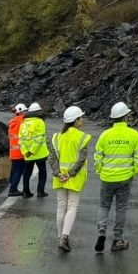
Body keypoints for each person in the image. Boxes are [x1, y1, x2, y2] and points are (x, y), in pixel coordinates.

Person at [93, 101, 138, 253]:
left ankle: (101, 232)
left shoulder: (105, 135)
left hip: (107, 178)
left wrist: (101, 171)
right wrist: (133, 172)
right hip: (124, 178)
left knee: (104, 206)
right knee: (120, 208)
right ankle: (117, 239)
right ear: (126, 117)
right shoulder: (134, 134)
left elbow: (97, 156)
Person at [49, 105, 92, 252]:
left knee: (61, 206)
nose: (82, 120)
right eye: (81, 117)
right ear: (75, 120)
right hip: (74, 178)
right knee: (72, 206)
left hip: (59, 178)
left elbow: (52, 158)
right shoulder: (82, 137)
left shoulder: (57, 137)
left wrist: (58, 173)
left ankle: (61, 236)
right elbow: (81, 159)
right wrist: (71, 173)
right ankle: (64, 237)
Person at [19, 102, 49, 198]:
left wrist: (25, 152)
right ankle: (40, 192)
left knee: (27, 173)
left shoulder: (23, 124)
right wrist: (32, 151)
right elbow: (40, 139)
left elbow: (21, 140)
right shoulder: (40, 122)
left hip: (28, 155)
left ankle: (25, 192)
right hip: (39, 153)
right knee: (42, 173)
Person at [6, 103, 28, 196]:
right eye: (25, 111)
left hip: (13, 151)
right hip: (20, 151)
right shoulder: (22, 121)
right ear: (21, 112)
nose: (27, 112)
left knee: (14, 169)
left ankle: (12, 185)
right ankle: (13, 189)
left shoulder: (12, 122)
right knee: (19, 170)